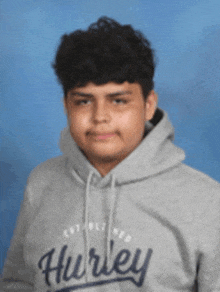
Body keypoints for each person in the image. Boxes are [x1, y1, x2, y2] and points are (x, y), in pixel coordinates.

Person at [1, 16, 220, 292]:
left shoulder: (208, 203)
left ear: (148, 105)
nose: (100, 117)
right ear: (67, 106)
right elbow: (17, 283)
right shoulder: (42, 183)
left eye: (118, 101)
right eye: (84, 101)